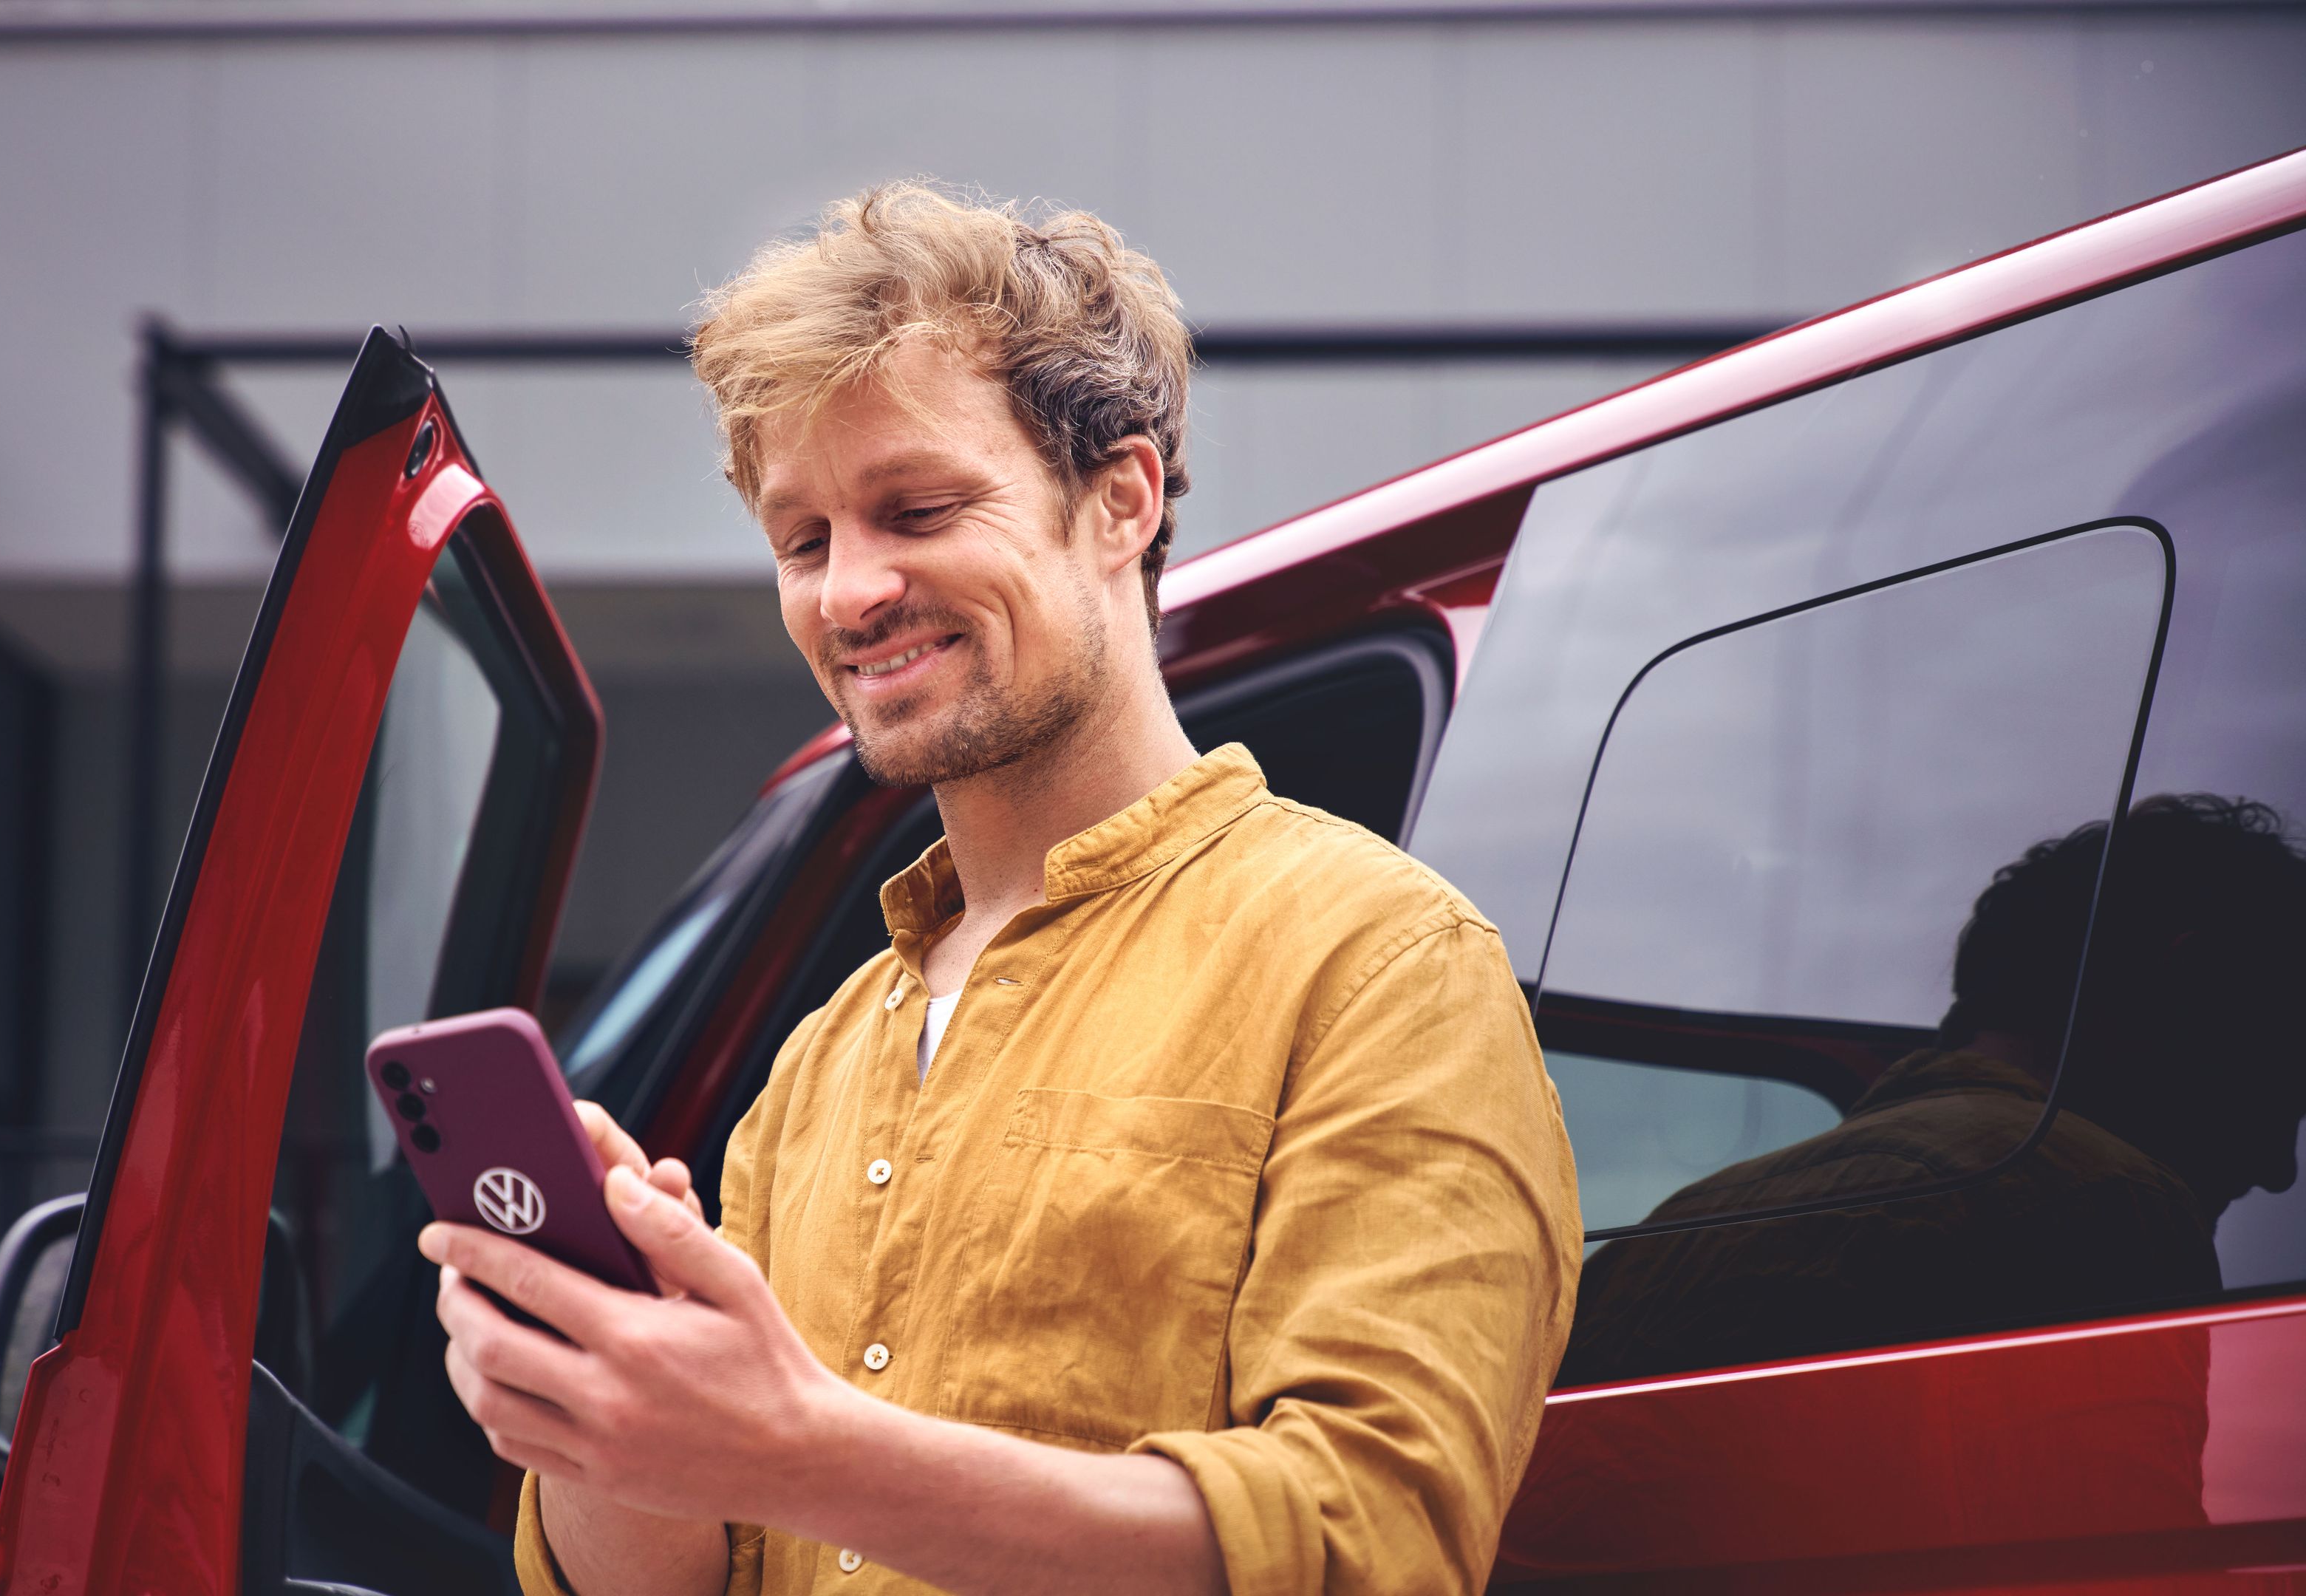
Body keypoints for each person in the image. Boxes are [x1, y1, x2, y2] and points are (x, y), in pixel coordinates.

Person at [417, 183, 1582, 1596]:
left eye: (916, 510)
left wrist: (799, 1452)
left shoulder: (1383, 963)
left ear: (1120, 502)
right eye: (804, 541)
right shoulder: (813, 1069)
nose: (848, 594)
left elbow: (1363, 1548)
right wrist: (606, 1404)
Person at [1562, 794, 2306, 1388]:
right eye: (2282, 1073)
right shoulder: (2100, 1199)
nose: (2281, 1170)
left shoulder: (1664, 1234)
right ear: (2196, 988)